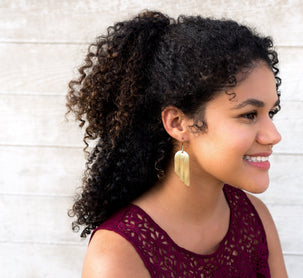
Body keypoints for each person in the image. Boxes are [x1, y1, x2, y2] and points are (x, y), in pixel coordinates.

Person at [66, 10, 288, 278]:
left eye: (271, 113)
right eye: (249, 115)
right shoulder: (118, 253)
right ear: (178, 123)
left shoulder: (255, 218)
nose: (273, 135)